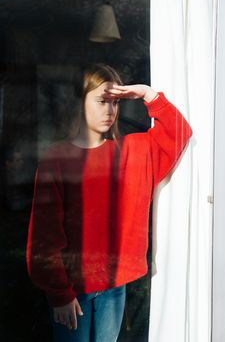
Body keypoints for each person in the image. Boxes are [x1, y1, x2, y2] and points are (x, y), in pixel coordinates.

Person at [26, 63, 192, 342]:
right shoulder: (58, 159)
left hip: (114, 286)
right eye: (102, 101)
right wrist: (59, 294)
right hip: (72, 289)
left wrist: (149, 95)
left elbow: (178, 134)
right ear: (80, 103)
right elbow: (44, 237)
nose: (110, 110)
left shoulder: (132, 151)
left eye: (115, 103)